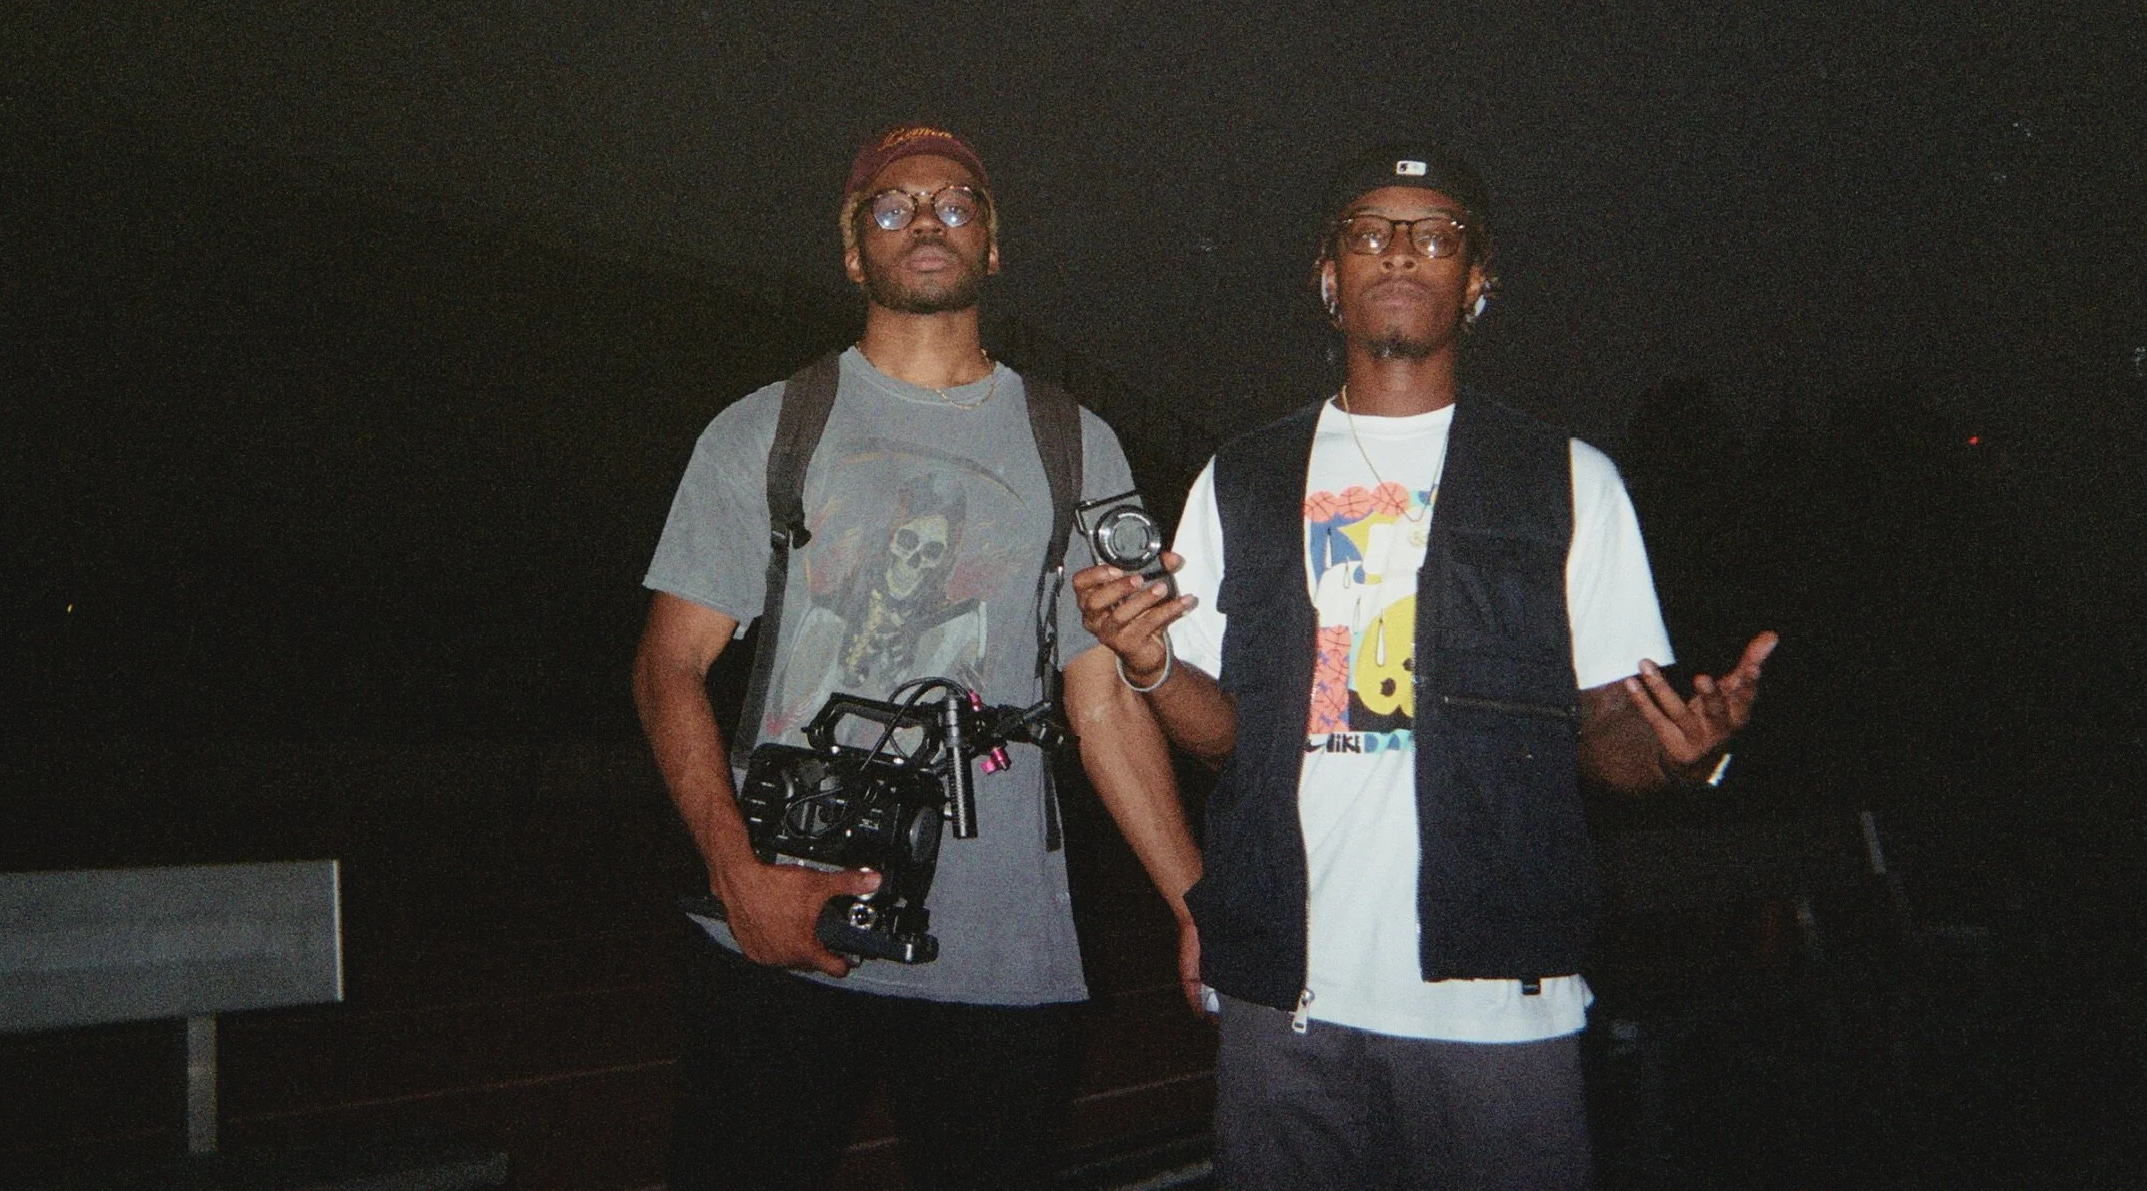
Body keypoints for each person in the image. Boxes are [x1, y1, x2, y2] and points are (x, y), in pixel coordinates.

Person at [1067, 145, 1776, 1190]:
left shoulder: (1565, 479)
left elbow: (1612, 741)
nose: (1399, 250)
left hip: (1494, 1009)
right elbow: (1228, 736)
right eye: (1369, 231)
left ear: (1475, 281)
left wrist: (1681, 751)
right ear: (1327, 276)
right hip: (1285, 1007)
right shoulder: (1241, 478)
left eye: (1434, 233)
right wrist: (1146, 666)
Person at [633, 124, 1137, 1191]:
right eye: (892, 204)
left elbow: (1106, 707)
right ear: (853, 251)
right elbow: (669, 664)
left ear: (992, 248)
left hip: (998, 952)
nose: (924, 219)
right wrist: (736, 878)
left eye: (954, 204)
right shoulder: (764, 429)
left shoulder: (1076, 443)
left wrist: (1193, 902)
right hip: (774, 920)